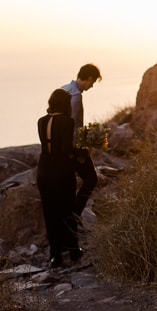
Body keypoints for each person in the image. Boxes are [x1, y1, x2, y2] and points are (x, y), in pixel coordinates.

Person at [36, 88, 82, 267]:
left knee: (50, 213)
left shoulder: (41, 121)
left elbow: (46, 147)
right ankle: (73, 250)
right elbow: (66, 149)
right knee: (68, 211)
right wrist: (83, 151)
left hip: (44, 172)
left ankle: (55, 255)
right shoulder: (67, 121)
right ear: (65, 104)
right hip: (61, 172)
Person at [62, 63, 102, 220]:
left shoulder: (63, 89)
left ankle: (70, 215)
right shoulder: (76, 97)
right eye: (92, 83)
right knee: (91, 179)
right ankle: (75, 215)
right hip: (73, 146)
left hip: (61, 145)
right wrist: (85, 144)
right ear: (89, 78)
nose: (91, 87)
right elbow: (72, 125)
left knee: (70, 183)